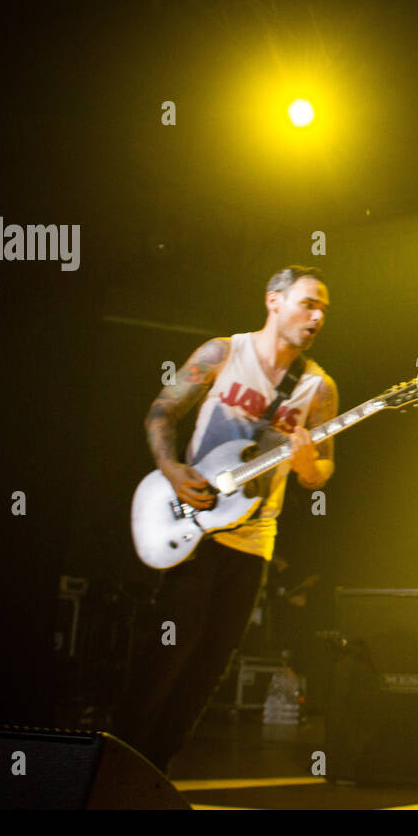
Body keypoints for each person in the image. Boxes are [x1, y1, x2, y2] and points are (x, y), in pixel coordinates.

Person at [117, 265, 337, 774]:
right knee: (163, 659)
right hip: (193, 533)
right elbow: (160, 414)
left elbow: (322, 469)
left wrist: (307, 464)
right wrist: (171, 469)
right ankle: (111, 765)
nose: (317, 316)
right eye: (308, 303)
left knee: (207, 670)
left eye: (324, 308)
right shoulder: (223, 353)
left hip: (253, 544)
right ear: (274, 301)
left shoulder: (319, 389)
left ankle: (153, 774)